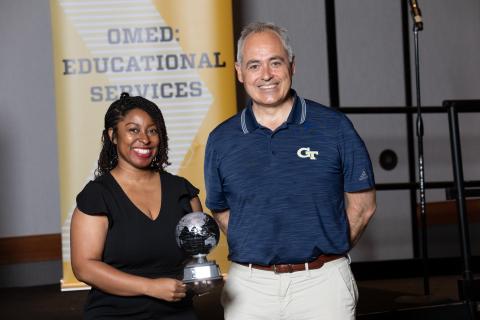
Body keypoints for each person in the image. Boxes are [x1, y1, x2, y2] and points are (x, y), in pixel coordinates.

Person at [204, 22, 377, 320]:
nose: (266, 75)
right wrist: (259, 245)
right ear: (239, 71)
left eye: (275, 62)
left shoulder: (334, 127)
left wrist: (327, 248)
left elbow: (363, 206)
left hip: (323, 284)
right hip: (250, 288)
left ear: (292, 66)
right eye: (254, 65)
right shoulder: (221, 139)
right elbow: (221, 210)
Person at [70, 93, 202, 319]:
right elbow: (84, 267)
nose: (145, 139)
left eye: (152, 130)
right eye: (133, 130)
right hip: (114, 313)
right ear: (113, 135)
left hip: (177, 312)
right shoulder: (98, 195)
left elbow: (196, 254)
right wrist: (150, 287)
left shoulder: (183, 192)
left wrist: (198, 277)